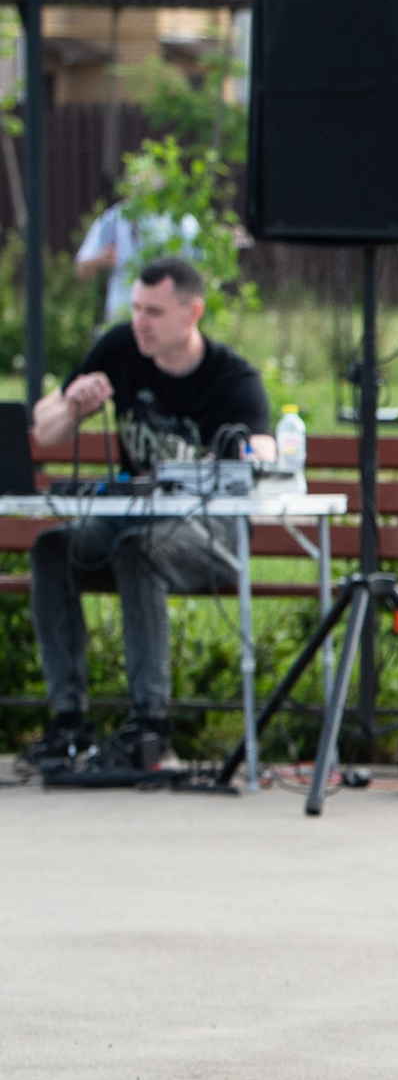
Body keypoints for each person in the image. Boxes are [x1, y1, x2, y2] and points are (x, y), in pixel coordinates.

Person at [28, 257, 269, 771]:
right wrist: (73, 405)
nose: (141, 322)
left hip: (212, 532)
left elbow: (264, 451)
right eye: (136, 308)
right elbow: (44, 429)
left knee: (140, 552)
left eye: (154, 312)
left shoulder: (231, 377)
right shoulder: (119, 349)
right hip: (132, 514)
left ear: (192, 313)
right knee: (53, 548)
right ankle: (69, 724)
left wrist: (254, 453)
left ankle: (150, 728)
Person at [76, 194, 204, 326]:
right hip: (122, 313)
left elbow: (202, 271)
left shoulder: (180, 221)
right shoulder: (115, 218)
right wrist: (100, 260)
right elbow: (81, 269)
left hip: (165, 315)